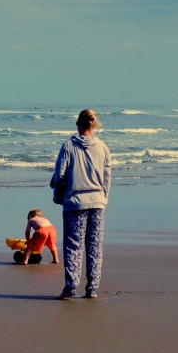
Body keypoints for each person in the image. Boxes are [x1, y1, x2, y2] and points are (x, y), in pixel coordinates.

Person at [51, 108, 111, 299]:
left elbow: (60, 175)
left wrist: (58, 195)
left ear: (78, 124)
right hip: (97, 202)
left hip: (75, 202)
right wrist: (104, 198)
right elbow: (106, 178)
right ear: (93, 125)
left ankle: (71, 287)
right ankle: (92, 288)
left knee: (73, 246)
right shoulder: (103, 147)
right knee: (94, 246)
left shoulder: (68, 146)